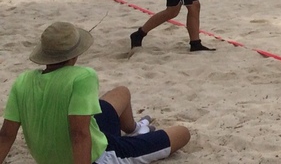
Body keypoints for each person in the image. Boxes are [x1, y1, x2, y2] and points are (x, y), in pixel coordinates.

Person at [1, 22, 191, 164]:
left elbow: (6, 136)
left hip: (75, 145)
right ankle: (136, 136)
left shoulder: (23, 80)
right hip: (98, 156)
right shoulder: (82, 76)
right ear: (75, 54)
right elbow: (79, 134)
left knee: (122, 92)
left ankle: (136, 130)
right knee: (183, 133)